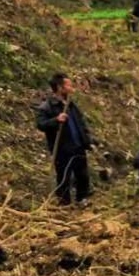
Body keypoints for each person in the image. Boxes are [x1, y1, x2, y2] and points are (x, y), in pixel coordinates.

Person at [35, 73, 92, 207]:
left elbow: (80, 123)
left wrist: (87, 139)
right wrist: (56, 120)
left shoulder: (71, 104)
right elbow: (41, 124)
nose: (71, 87)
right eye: (68, 85)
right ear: (60, 87)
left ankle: (81, 199)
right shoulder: (47, 106)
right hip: (62, 148)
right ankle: (64, 203)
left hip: (78, 145)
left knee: (82, 175)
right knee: (64, 176)